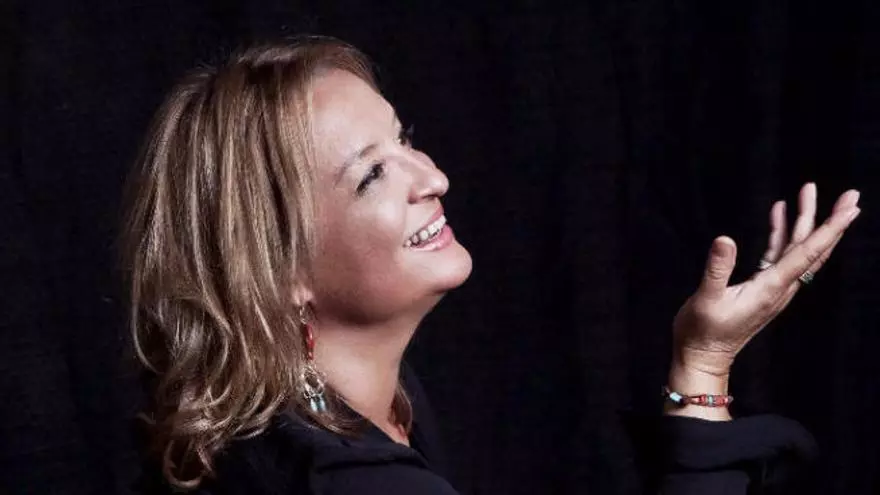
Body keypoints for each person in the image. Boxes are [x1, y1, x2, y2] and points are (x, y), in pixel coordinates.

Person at [120, 36, 862, 494]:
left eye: (405, 139)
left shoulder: (328, 413)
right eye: (372, 174)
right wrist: (704, 368)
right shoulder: (348, 479)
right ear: (278, 268)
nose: (433, 177)